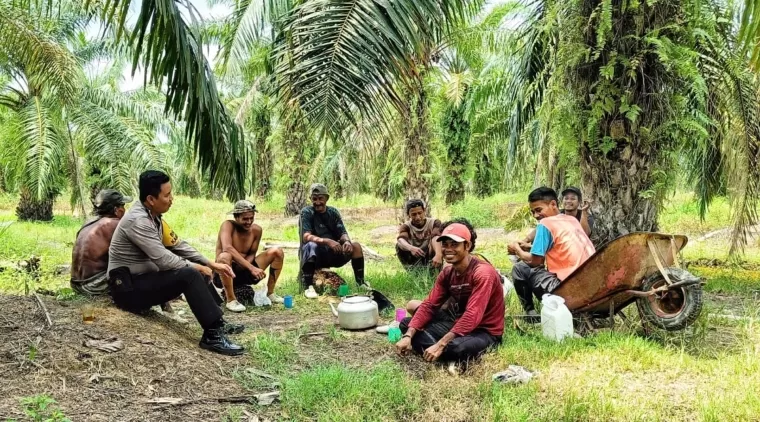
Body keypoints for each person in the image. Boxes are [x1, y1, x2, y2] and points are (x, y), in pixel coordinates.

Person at [107, 170, 245, 356]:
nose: (172, 198)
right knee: (190, 274)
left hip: (144, 281)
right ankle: (212, 336)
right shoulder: (138, 221)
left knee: (196, 270)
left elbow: (178, 245)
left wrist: (210, 264)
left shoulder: (153, 217)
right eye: (167, 195)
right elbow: (164, 260)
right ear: (151, 199)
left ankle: (218, 324)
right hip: (127, 290)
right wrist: (197, 267)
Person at [395, 220, 504, 365]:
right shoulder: (447, 273)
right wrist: (408, 336)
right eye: (445, 245)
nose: (448, 249)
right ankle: (440, 354)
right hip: (457, 323)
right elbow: (429, 305)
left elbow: (472, 315)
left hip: (484, 331)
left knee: (456, 348)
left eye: (454, 244)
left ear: (467, 246)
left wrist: (441, 344)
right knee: (406, 324)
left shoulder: (482, 273)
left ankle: (437, 350)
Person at [508, 187, 596, 321]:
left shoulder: (545, 224)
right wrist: (529, 246)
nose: (536, 215)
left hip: (568, 289)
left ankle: (530, 314)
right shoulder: (571, 220)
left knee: (520, 268)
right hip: (593, 287)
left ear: (553, 204)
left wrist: (516, 249)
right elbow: (561, 247)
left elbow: (535, 261)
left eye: (538, 210)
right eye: (533, 212)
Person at [299, 183, 369, 299]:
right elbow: (306, 236)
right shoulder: (307, 212)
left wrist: (346, 241)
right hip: (315, 254)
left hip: (333, 252)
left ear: (326, 198)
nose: (317, 202)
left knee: (356, 246)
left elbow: (342, 232)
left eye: (320, 198)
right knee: (311, 245)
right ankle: (308, 287)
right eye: (314, 199)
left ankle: (360, 283)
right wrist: (327, 241)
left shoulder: (333, 212)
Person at [214, 200, 285, 312]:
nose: (249, 221)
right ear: (236, 217)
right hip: (224, 272)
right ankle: (231, 300)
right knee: (224, 256)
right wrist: (251, 268)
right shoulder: (227, 225)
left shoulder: (256, 230)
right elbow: (227, 247)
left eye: (251, 218)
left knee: (277, 252)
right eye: (245, 219)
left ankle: (270, 293)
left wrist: (249, 268)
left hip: (244, 271)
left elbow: (252, 253)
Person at [70, 189, 131, 295]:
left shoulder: (88, 223)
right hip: (93, 285)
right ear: (117, 210)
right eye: (123, 206)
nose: (124, 209)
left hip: (75, 284)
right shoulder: (115, 225)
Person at [520, 186, 593, 246]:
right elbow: (542, 228)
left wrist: (584, 211)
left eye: (572, 199)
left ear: (579, 202)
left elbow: (584, 235)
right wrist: (526, 240)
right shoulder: (558, 214)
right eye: (566, 198)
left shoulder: (586, 217)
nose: (568, 201)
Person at [396, 199, 443, 270]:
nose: (417, 217)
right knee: (399, 246)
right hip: (414, 256)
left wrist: (438, 254)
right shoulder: (406, 226)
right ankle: (412, 271)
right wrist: (411, 248)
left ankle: (435, 269)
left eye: (420, 213)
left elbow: (436, 237)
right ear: (408, 215)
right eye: (414, 214)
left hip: (430, 255)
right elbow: (401, 239)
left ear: (424, 211)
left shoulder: (434, 223)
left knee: (439, 242)